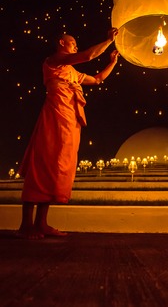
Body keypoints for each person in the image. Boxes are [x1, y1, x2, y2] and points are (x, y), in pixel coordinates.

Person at [17, 28, 119, 239]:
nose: (75, 45)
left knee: (58, 165)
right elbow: (88, 56)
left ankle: (41, 223)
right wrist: (108, 40)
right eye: (72, 42)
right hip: (54, 117)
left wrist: (112, 63)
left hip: (70, 121)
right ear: (62, 43)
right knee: (43, 161)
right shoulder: (54, 60)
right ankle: (26, 225)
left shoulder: (72, 72)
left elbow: (98, 80)